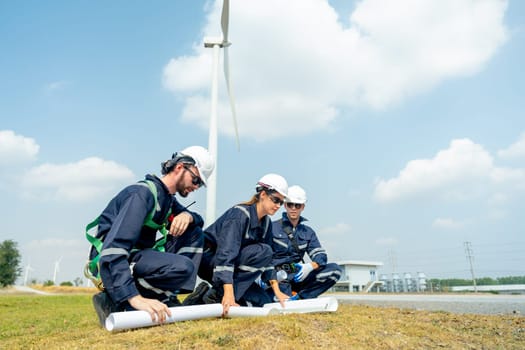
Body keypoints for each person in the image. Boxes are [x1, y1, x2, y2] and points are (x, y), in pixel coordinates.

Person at [86, 146, 214, 327]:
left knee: (195, 233)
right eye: (195, 180)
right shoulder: (142, 195)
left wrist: (188, 216)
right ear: (179, 168)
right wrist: (133, 298)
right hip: (112, 260)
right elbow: (113, 249)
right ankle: (117, 301)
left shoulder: (167, 199)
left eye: (199, 184)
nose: (196, 187)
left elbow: (197, 222)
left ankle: (165, 296)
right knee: (183, 266)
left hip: (137, 257)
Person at [184, 173, 291, 314]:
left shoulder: (266, 224)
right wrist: (229, 294)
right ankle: (219, 294)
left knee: (263, 301)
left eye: (281, 203)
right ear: (263, 194)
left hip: (231, 264)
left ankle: (202, 299)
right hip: (211, 261)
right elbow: (226, 254)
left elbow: (268, 263)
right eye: (275, 200)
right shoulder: (239, 215)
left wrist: (277, 292)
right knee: (263, 251)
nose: (278, 206)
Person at [269, 185, 342, 300]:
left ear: (303, 207)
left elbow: (321, 256)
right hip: (277, 277)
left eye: (297, 205)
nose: (293, 208)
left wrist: (309, 266)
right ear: (285, 205)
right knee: (283, 303)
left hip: (297, 274)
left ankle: (301, 297)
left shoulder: (308, 232)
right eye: (290, 204)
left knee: (335, 270)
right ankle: (285, 296)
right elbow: (263, 257)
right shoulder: (271, 228)